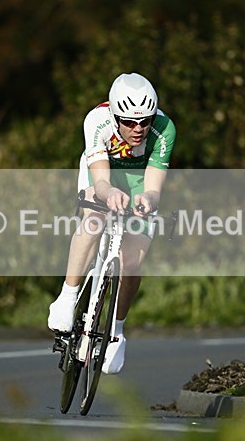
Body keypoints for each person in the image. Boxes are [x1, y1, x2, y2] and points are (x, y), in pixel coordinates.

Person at [47, 72, 176, 374]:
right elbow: (101, 181)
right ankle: (67, 297)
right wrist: (107, 194)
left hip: (138, 179)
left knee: (131, 262)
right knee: (93, 220)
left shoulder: (165, 128)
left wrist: (147, 201)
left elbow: (153, 187)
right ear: (115, 115)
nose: (139, 128)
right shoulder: (97, 120)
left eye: (145, 121)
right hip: (101, 171)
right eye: (130, 122)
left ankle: (116, 331)